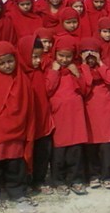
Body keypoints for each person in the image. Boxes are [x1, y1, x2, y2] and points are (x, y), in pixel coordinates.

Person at [0, 42, 36, 209]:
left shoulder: (22, 79)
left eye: (10, 61)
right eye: (1, 63)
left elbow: (29, 108)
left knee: (15, 164)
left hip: (17, 130)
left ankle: (17, 193)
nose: (7, 66)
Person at [46, 37, 88, 195]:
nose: (64, 60)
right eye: (61, 56)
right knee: (59, 152)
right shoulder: (51, 69)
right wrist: (54, 71)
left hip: (75, 115)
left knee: (75, 151)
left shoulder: (76, 70)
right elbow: (48, 89)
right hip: (59, 115)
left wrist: (77, 74)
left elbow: (85, 90)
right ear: (55, 54)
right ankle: (59, 180)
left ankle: (75, 179)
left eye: (68, 56)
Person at [17, 35, 54, 195]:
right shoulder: (18, 74)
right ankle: (23, 181)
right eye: (34, 57)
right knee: (25, 152)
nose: (38, 61)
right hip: (25, 123)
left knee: (41, 152)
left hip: (42, 120)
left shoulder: (39, 72)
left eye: (40, 57)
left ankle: (39, 180)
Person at [81, 38, 110, 189]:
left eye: (94, 53)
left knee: (107, 146)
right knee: (91, 147)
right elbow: (87, 82)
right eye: (86, 53)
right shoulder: (80, 68)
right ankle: (94, 175)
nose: (90, 57)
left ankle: (108, 176)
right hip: (90, 111)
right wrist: (85, 65)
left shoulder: (106, 67)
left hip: (106, 111)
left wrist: (100, 63)